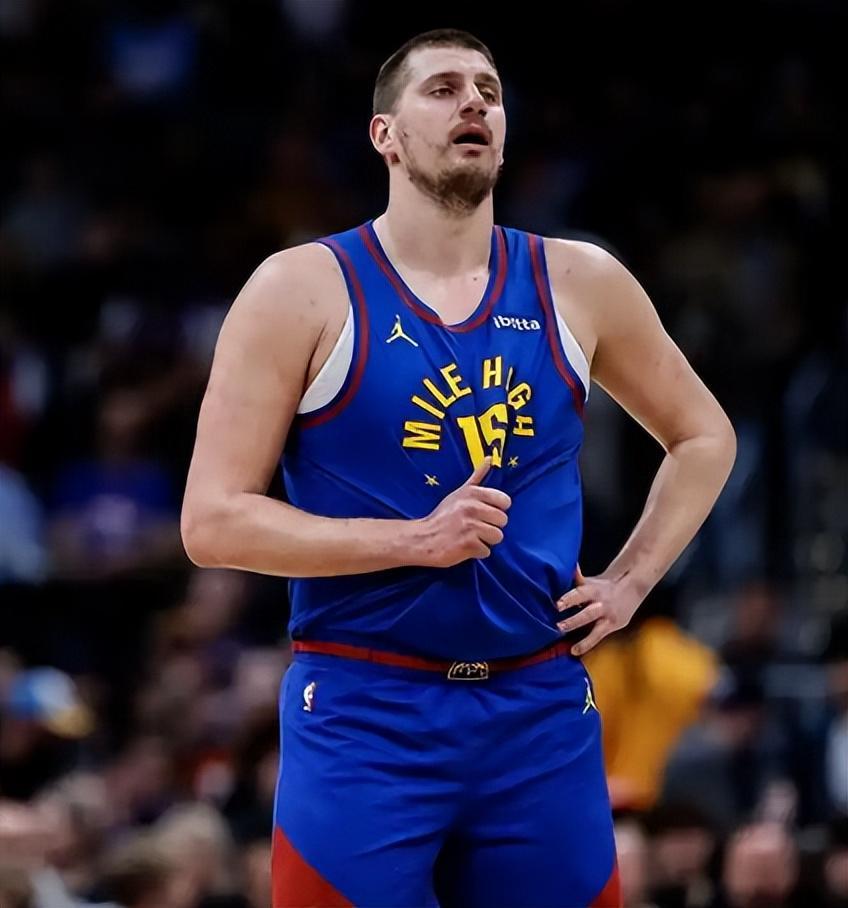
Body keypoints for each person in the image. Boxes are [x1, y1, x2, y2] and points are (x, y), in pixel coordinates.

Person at [181, 28, 736, 908]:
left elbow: (704, 437)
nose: (474, 101)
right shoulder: (300, 289)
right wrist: (414, 539)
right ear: (386, 135)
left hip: (538, 708)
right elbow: (212, 522)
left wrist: (631, 582)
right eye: (442, 89)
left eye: (489, 90)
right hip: (366, 708)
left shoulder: (578, 280)